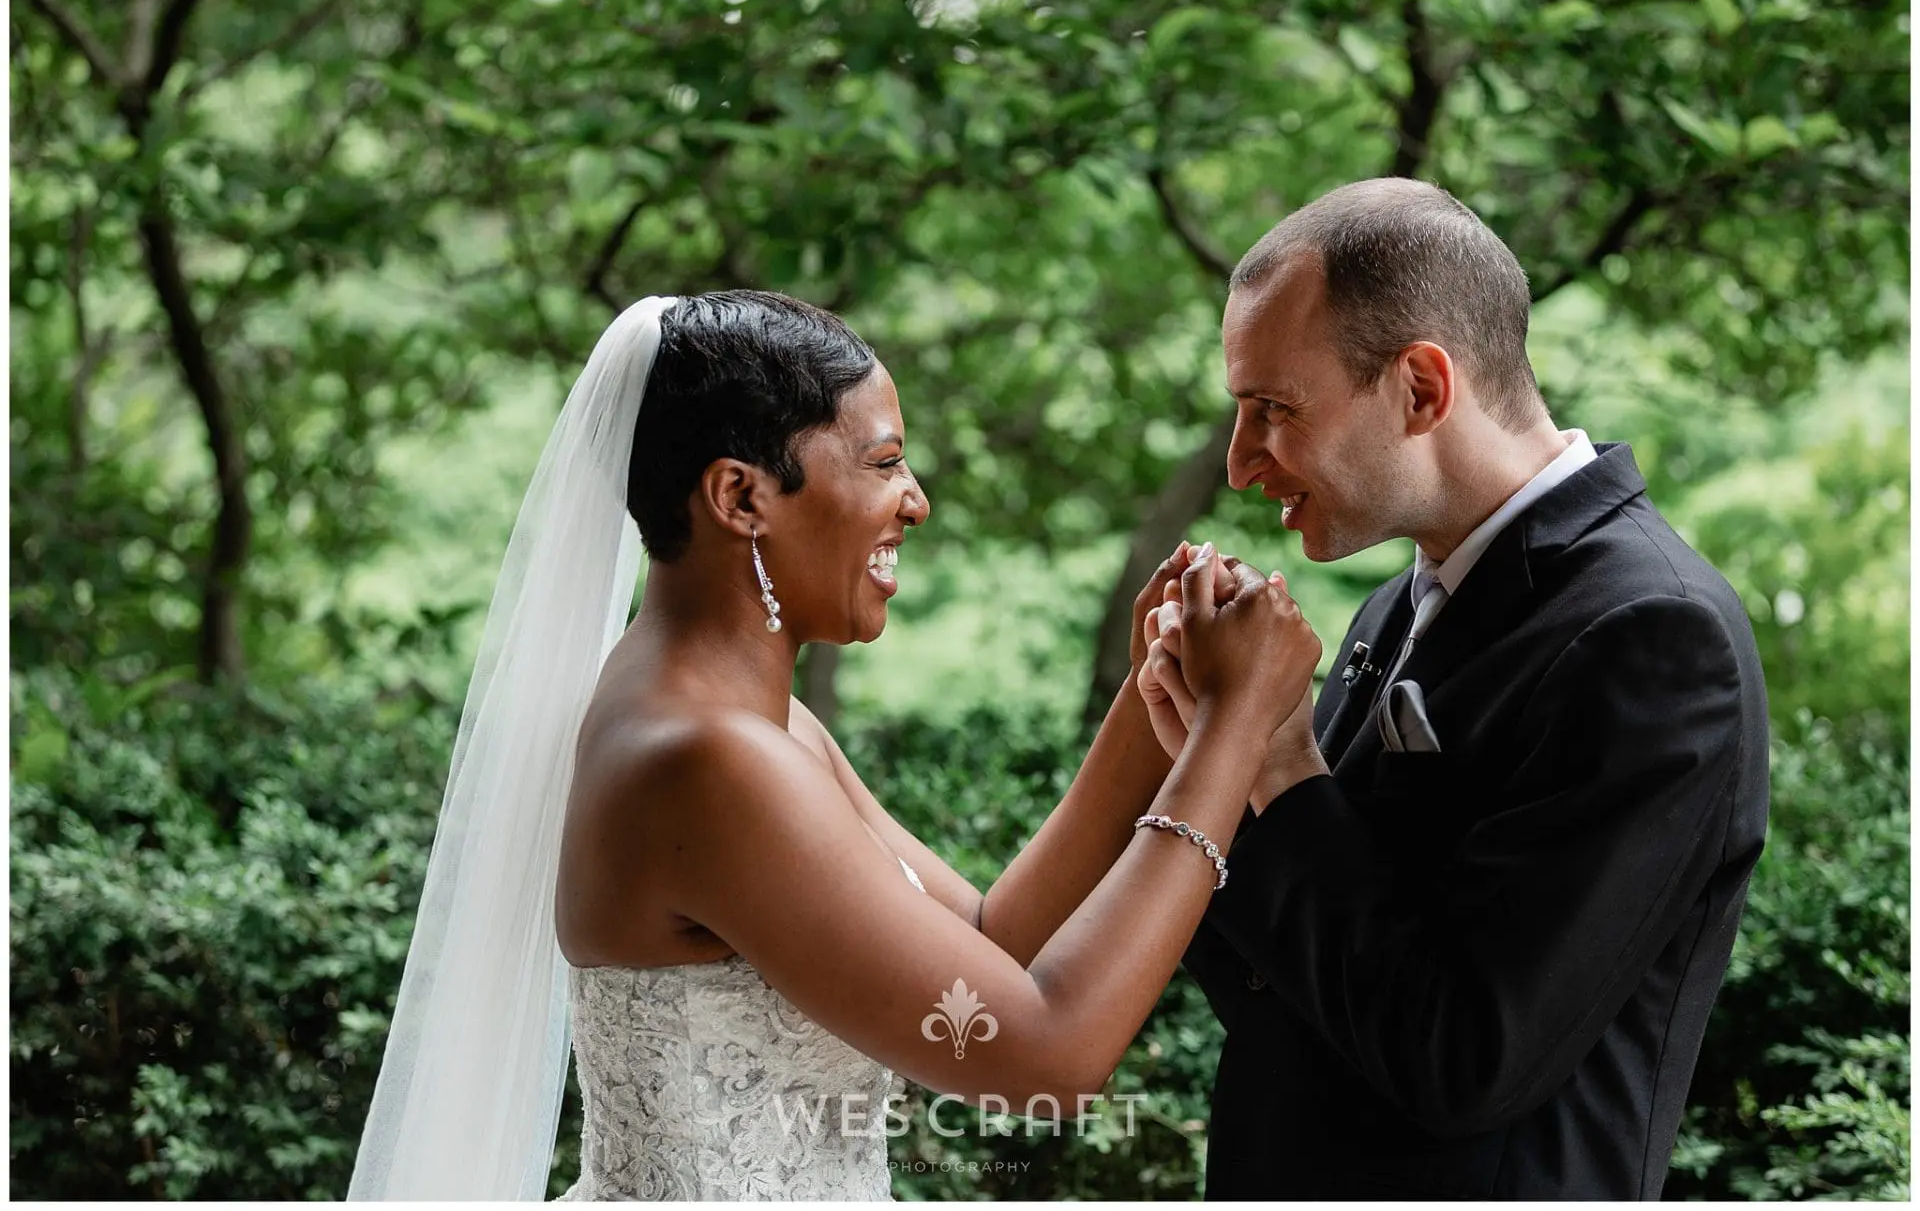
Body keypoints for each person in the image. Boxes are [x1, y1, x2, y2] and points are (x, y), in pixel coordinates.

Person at [346, 290, 1319, 1200]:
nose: (917, 500)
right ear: (741, 496)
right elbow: (1046, 1058)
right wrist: (1233, 729)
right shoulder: (707, 762)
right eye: (885, 461)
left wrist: (1157, 699)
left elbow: (989, 943)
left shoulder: (739, 722)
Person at [1144, 178, 1771, 1198]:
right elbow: (1285, 985)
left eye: (1273, 409)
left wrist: (1281, 758)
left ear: (1423, 388)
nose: (1240, 462)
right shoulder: (1394, 606)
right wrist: (1208, 746)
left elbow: (1468, 1058)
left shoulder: (1656, 635)